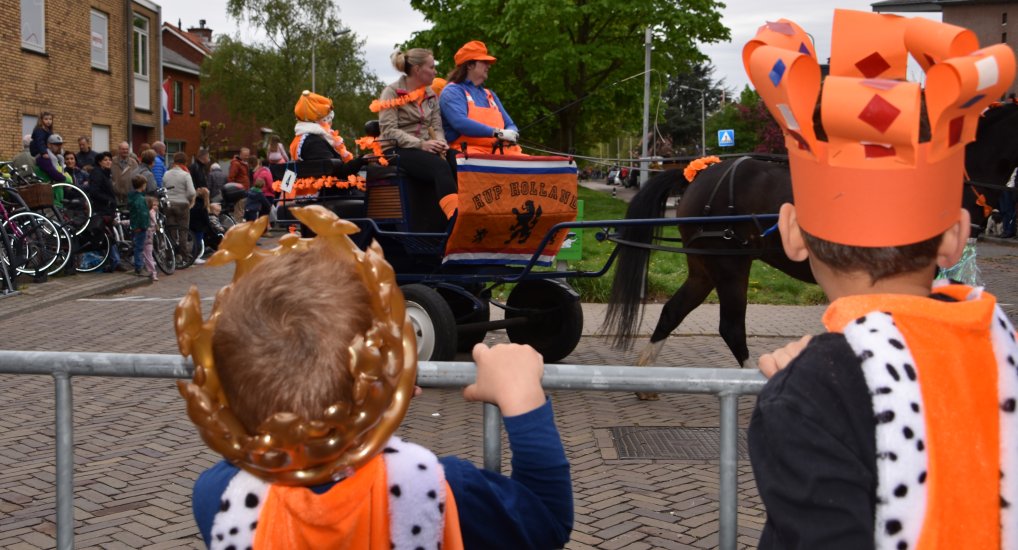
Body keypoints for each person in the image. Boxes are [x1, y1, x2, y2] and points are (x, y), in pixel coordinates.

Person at [742, 11, 1016, 549]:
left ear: (792, 233)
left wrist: (820, 375)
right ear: (955, 237)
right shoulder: (1004, 349)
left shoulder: (805, 395)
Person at [177, 206, 573, 549]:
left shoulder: (217, 494)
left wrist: (366, 405)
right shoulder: (438, 490)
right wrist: (523, 400)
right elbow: (547, 521)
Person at [376, 48, 459, 220]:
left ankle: (473, 214)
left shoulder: (431, 95)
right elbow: (389, 130)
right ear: (417, 69)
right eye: (431, 67)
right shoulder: (390, 93)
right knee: (440, 167)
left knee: (461, 161)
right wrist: (421, 144)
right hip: (396, 149)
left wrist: (441, 143)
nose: (435, 72)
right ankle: (454, 219)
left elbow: (437, 127)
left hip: (425, 147)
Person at [439, 41, 522, 156]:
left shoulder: (490, 94)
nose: (489, 66)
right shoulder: (452, 91)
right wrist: (497, 133)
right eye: (484, 62)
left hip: (501, 153)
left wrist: (512, 132)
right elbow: (460, 123)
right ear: (469, 65)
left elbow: (510, 124)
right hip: (467, 155)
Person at [87, 152, 126, 273]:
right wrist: (108, 201)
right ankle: (115, 261)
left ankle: (113, 261)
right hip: (102, 210)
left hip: (107, 209)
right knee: (107, 236)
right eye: (105, 160)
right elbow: (94, 191)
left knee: (108, 236)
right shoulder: (97, 173)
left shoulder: (105, 173)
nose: (108, 162)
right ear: (100, 162)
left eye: (109, 160)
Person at [163, 152, 197, 264]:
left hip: (168, 205)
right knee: (183, 231)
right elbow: (192, 192)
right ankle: (184, 256)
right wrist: (186, 198)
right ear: (185, 162)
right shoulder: (185, 175)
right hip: (182, 205)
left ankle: (171, 256)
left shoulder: (166, 174)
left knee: (170, 231)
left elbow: (163, 189)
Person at [128, 175, 151, 278]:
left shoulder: (132, 197)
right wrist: (145, 225)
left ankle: (138, 266)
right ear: (143, 185)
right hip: (140, 226)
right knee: (139, 248)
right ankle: (139, 268)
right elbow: (142, 213)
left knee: (137, 246)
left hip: (135, 225)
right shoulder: (140, 199)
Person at [189, 187, 217, 261]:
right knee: (198, 242)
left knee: (195, 241)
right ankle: (194, 257)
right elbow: (206, 220)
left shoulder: (193, 204)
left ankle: (193, 256)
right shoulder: (203, 207)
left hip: (192, 226)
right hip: (199, 227)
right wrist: (211, 230)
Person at [144, 196, 159, 281]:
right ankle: (152, 272)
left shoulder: (151, 212)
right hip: (149, 235)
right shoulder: (152, 212)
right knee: (148, 254)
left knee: (147, 254)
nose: (156, 207)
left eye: (156, 205)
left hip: (148, 235)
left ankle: (152, 272)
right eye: (154, 205)